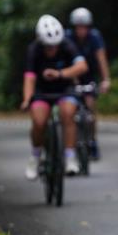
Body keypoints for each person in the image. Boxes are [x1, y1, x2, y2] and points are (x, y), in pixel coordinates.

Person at [21, 14, 89, 178]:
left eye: (55, 46)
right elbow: (29, 77)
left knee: (68, 113)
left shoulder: (67, 45)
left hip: (64, 89)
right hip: (41, 92)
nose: (52, 49)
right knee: (39, 121)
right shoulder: (34, 50)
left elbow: (82, 66)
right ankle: (35, 156)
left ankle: (70, 156)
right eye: (48, 46)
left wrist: (60, 73)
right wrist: (26, 99)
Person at [65, 7, 112, 160]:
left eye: (84, 27)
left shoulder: (94, 37)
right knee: (69, 110)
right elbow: (65, 60)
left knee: (90, 108)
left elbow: (101, 58)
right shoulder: (67, 38)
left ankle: (92, 140)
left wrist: (106, 79)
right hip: (72, 75)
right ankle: (68, 143)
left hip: (89, 75)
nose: (81, 30)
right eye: (78, 27)